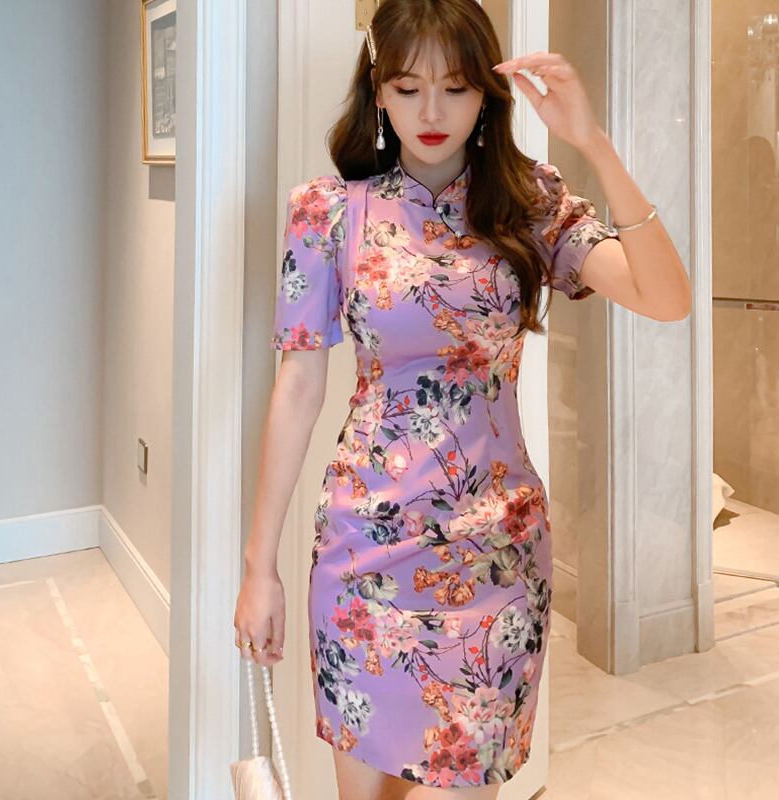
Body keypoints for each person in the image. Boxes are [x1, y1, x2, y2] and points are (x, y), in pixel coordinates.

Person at [234, 0, 690, 797]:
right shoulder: (327, 212)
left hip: (496, 555)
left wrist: (592, 140)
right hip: (364, 552)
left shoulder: (529, 201)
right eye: (408, 88)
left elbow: (666, 297)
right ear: (378, 90)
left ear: (486, 93)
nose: (432, 113)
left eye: (455, 87)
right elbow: (298, 386)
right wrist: (258, 567)